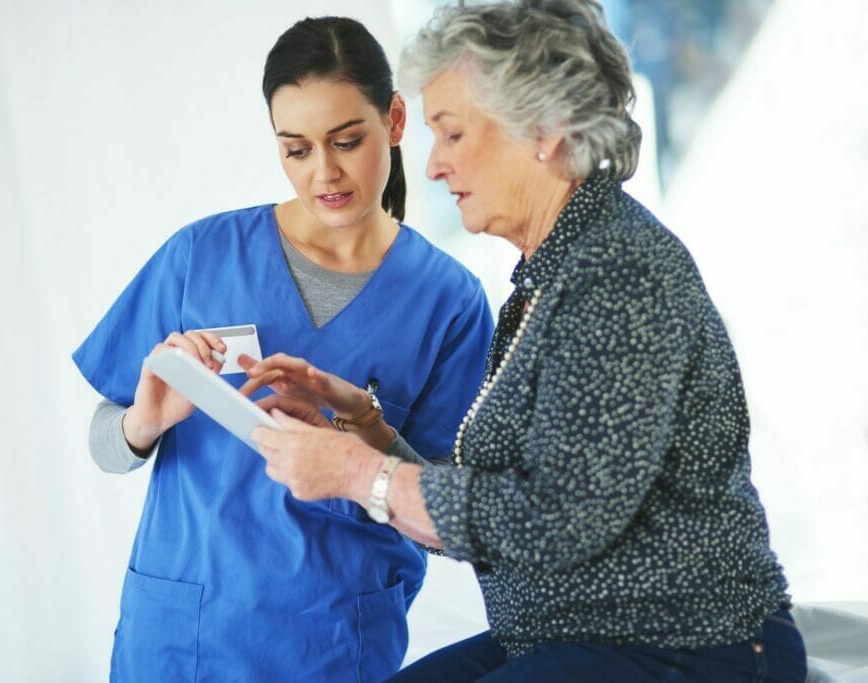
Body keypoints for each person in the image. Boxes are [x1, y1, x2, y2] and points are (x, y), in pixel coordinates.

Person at [248, 1, 808, 680]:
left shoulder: (620, 273)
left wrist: (352, 472)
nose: (431, 166)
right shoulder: (552, 275)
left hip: (687, 643)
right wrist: (362, 426)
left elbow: (554, 518)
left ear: (543, 128)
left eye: (451, 134)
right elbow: (495, 503)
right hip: (575, 635)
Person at [71, 16, 494, 682]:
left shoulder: (450, 301)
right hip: (182, 637)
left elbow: (452, 512)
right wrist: (144, 422)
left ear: (396, 120)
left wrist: (357, 434)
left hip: (332, 642)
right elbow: (103, 442)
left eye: (347, 141)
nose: (324, 171)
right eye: (296, 149)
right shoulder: (199, 257)